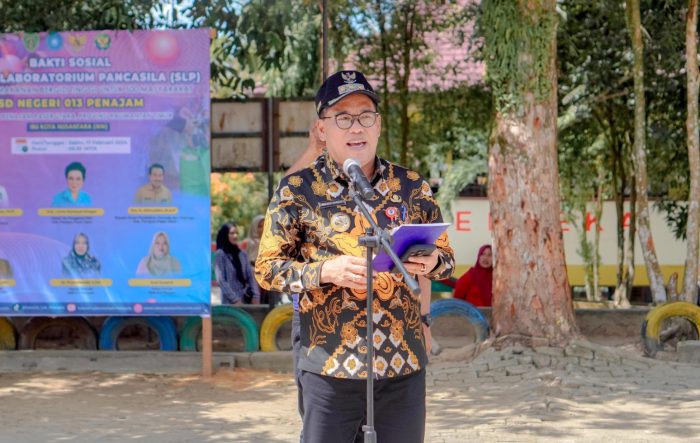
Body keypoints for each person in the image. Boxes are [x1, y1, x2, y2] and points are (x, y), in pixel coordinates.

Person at [255, 70, 454, 443]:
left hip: (402, 367)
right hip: (330, 367)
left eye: (365, 116)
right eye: (342, 118)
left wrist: (429, 261)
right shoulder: (297, 191)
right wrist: (326, 270)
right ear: (321, 129)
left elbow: (446, 258)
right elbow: (267, 271)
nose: (355, 127)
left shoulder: (411, 187)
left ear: (378, 125)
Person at [215, 223, 261, 305]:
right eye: (232, 233)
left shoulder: (242, 254)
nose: (235, 236)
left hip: (246, 300)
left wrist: (256, 296)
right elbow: (221, 280)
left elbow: (250, 276)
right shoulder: (221, 254)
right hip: (230, 304)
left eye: (236, 233)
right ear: (225, 235)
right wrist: (235, 300)